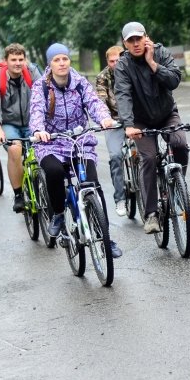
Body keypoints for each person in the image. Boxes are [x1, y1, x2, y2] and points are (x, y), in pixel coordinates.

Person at [29, 43, 122, 258]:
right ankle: (59, 214)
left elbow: (94, 103)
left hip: (79, 141)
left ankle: (105, 237)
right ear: (50, 63)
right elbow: (36, 111)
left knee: (93, 186)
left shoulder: (80, 83)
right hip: (51, 142)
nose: (62, 63)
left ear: (69, 61)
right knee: (54, 172)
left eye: (65, 59)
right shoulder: (41, 87)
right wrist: (39, 130)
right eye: (57, 60)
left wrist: (105, 118)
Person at [114, 22, 189, 234]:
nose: (136, 44)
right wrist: (128, 125)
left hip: (166, 114)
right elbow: (123, 95)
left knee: (180, 143)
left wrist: (153, 64)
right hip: (140, 121)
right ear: (125, 43)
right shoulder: (123, 65)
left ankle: (179, 185)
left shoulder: (161, 52)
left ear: (146, 37)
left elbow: (174, 81)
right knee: (148, 157)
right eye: (131, 40)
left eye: (139, 38)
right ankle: (151, 214)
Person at [0, 43, 43, 212]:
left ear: (25, 60)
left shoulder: (32, 72)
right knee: (15, 149)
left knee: (44, 149)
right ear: (6, 61)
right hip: (9, 123)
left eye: (21, 59)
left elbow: (44, 95)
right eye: (13, 60)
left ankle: (44, 183)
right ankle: (18, 194)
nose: (18, 63)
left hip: (33, 121)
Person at [94, 45, 128, 217]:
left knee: (148, 155)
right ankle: (120, 199)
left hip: (135, 120)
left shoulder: (131, 70)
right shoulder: (103, 77)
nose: (116, 64)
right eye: (112, 61)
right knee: (116, 157)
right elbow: (100, 101)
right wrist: (106, 119)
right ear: (107, 62)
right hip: (113, 121)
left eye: (119, 60)